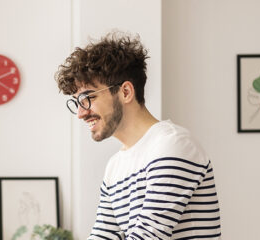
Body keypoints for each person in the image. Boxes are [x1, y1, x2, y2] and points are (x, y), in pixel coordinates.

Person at [55, 31, 221, 239]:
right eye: (77, 103)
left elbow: (148, 236)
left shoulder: (173, 145)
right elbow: (103, 236)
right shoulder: (115, 167)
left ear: (125, 92)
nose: (81, 113)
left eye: (88, 98)